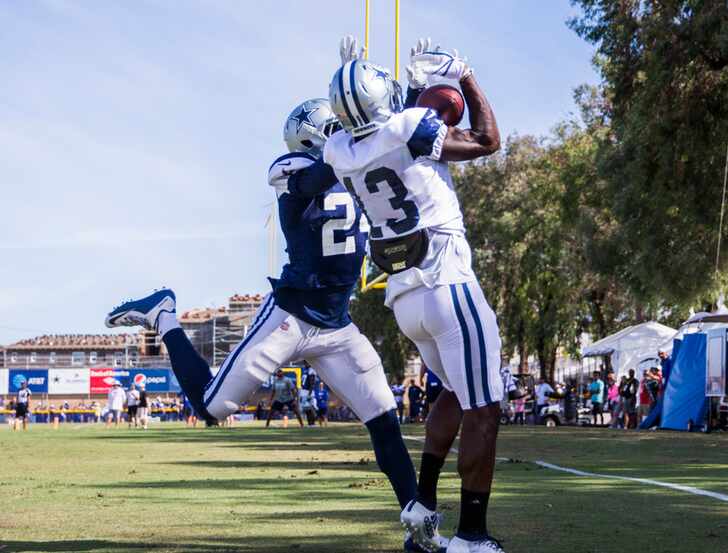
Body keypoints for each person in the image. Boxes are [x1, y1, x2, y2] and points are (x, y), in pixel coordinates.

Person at [106, 52, 437, 549]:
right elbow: (315, 178)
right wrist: (352, 142)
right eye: (341, 126)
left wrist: (409, 96)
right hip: (291, 315)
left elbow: (396, 143)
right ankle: (164, 314)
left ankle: (418, 528)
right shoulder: (295, 167)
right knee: (211, 408)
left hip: (337, 326)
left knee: (385, 419)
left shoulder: (357, 163)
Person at [321, 38, 504, 552]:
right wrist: (463, 74)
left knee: (454, 391)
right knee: (484, 408)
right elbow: (488, 141)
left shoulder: (340, 151)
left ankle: (423, 510)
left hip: (405, 300)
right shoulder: (409, 128)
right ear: (386, 99)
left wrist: (350, 77)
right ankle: (472, 537)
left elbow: (366, 126)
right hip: (446, 282)